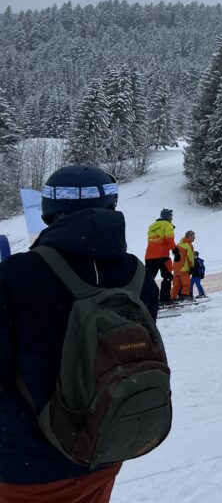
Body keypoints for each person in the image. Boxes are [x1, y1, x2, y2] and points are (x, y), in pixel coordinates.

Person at [0, 165, 163, 502]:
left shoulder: (17, 274)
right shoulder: (137, 275)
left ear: (48, 210)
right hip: (103, 445)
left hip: (25, 465)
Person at [145, 208, 175, 306]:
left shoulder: (152, 226)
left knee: (148, 279)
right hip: (162, 256)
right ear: (167, 217)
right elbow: (169, 240)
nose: (172, 218)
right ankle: (164, 299)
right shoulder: (167, 225)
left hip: (149, 256)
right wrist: (175, 250)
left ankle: (144, 300)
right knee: (167, 277)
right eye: (171, 216)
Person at [170, 230, 195, 302]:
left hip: (175, 267)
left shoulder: (178, 244)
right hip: (184, 268)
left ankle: (173, 297)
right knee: (186, 283)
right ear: (189, 236)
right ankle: (185, 297)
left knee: (176, 285)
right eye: (193, 236)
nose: (194, 238)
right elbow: (190, 257)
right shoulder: (188, 245)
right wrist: (192, 267)